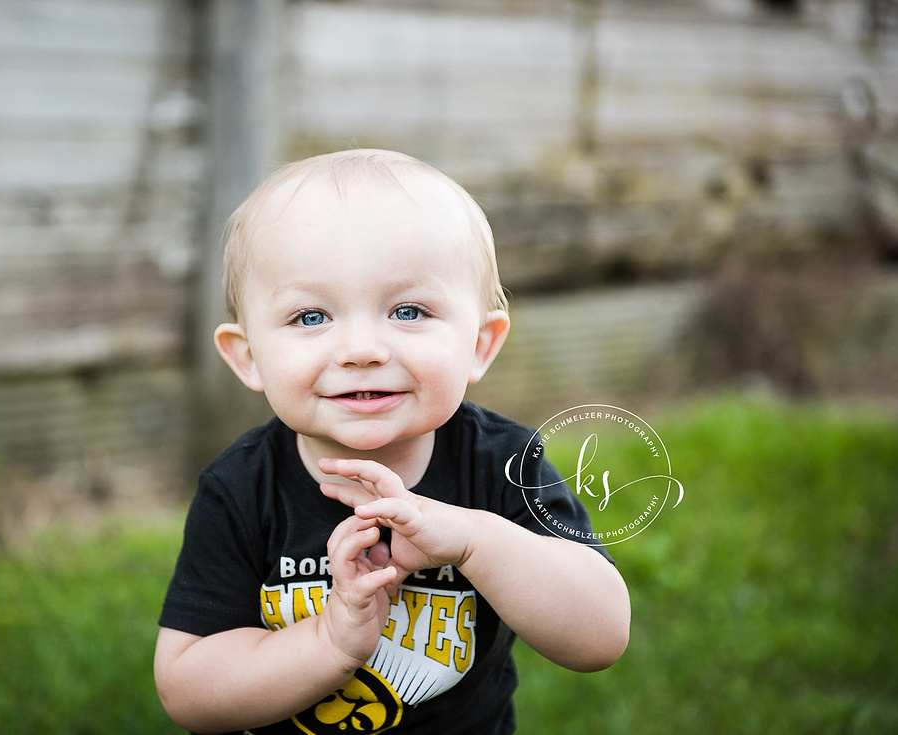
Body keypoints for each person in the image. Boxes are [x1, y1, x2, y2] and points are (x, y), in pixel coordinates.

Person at [154, 149, 630, 734]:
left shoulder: (502, 464)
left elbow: (601, 635)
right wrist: (329, 643)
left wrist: (474, 540)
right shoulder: (241, 489)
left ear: (480, 344)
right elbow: (188, 690)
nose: (362, 349)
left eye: (407, 310)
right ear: (249, 356)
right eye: (310, 317)